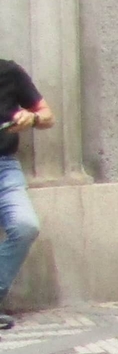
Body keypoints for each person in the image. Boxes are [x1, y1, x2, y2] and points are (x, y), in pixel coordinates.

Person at [0, 59, 51, 331]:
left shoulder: (8, 71)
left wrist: (32, 118)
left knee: (25, 226)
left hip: (3, 169)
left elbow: (47, 116)